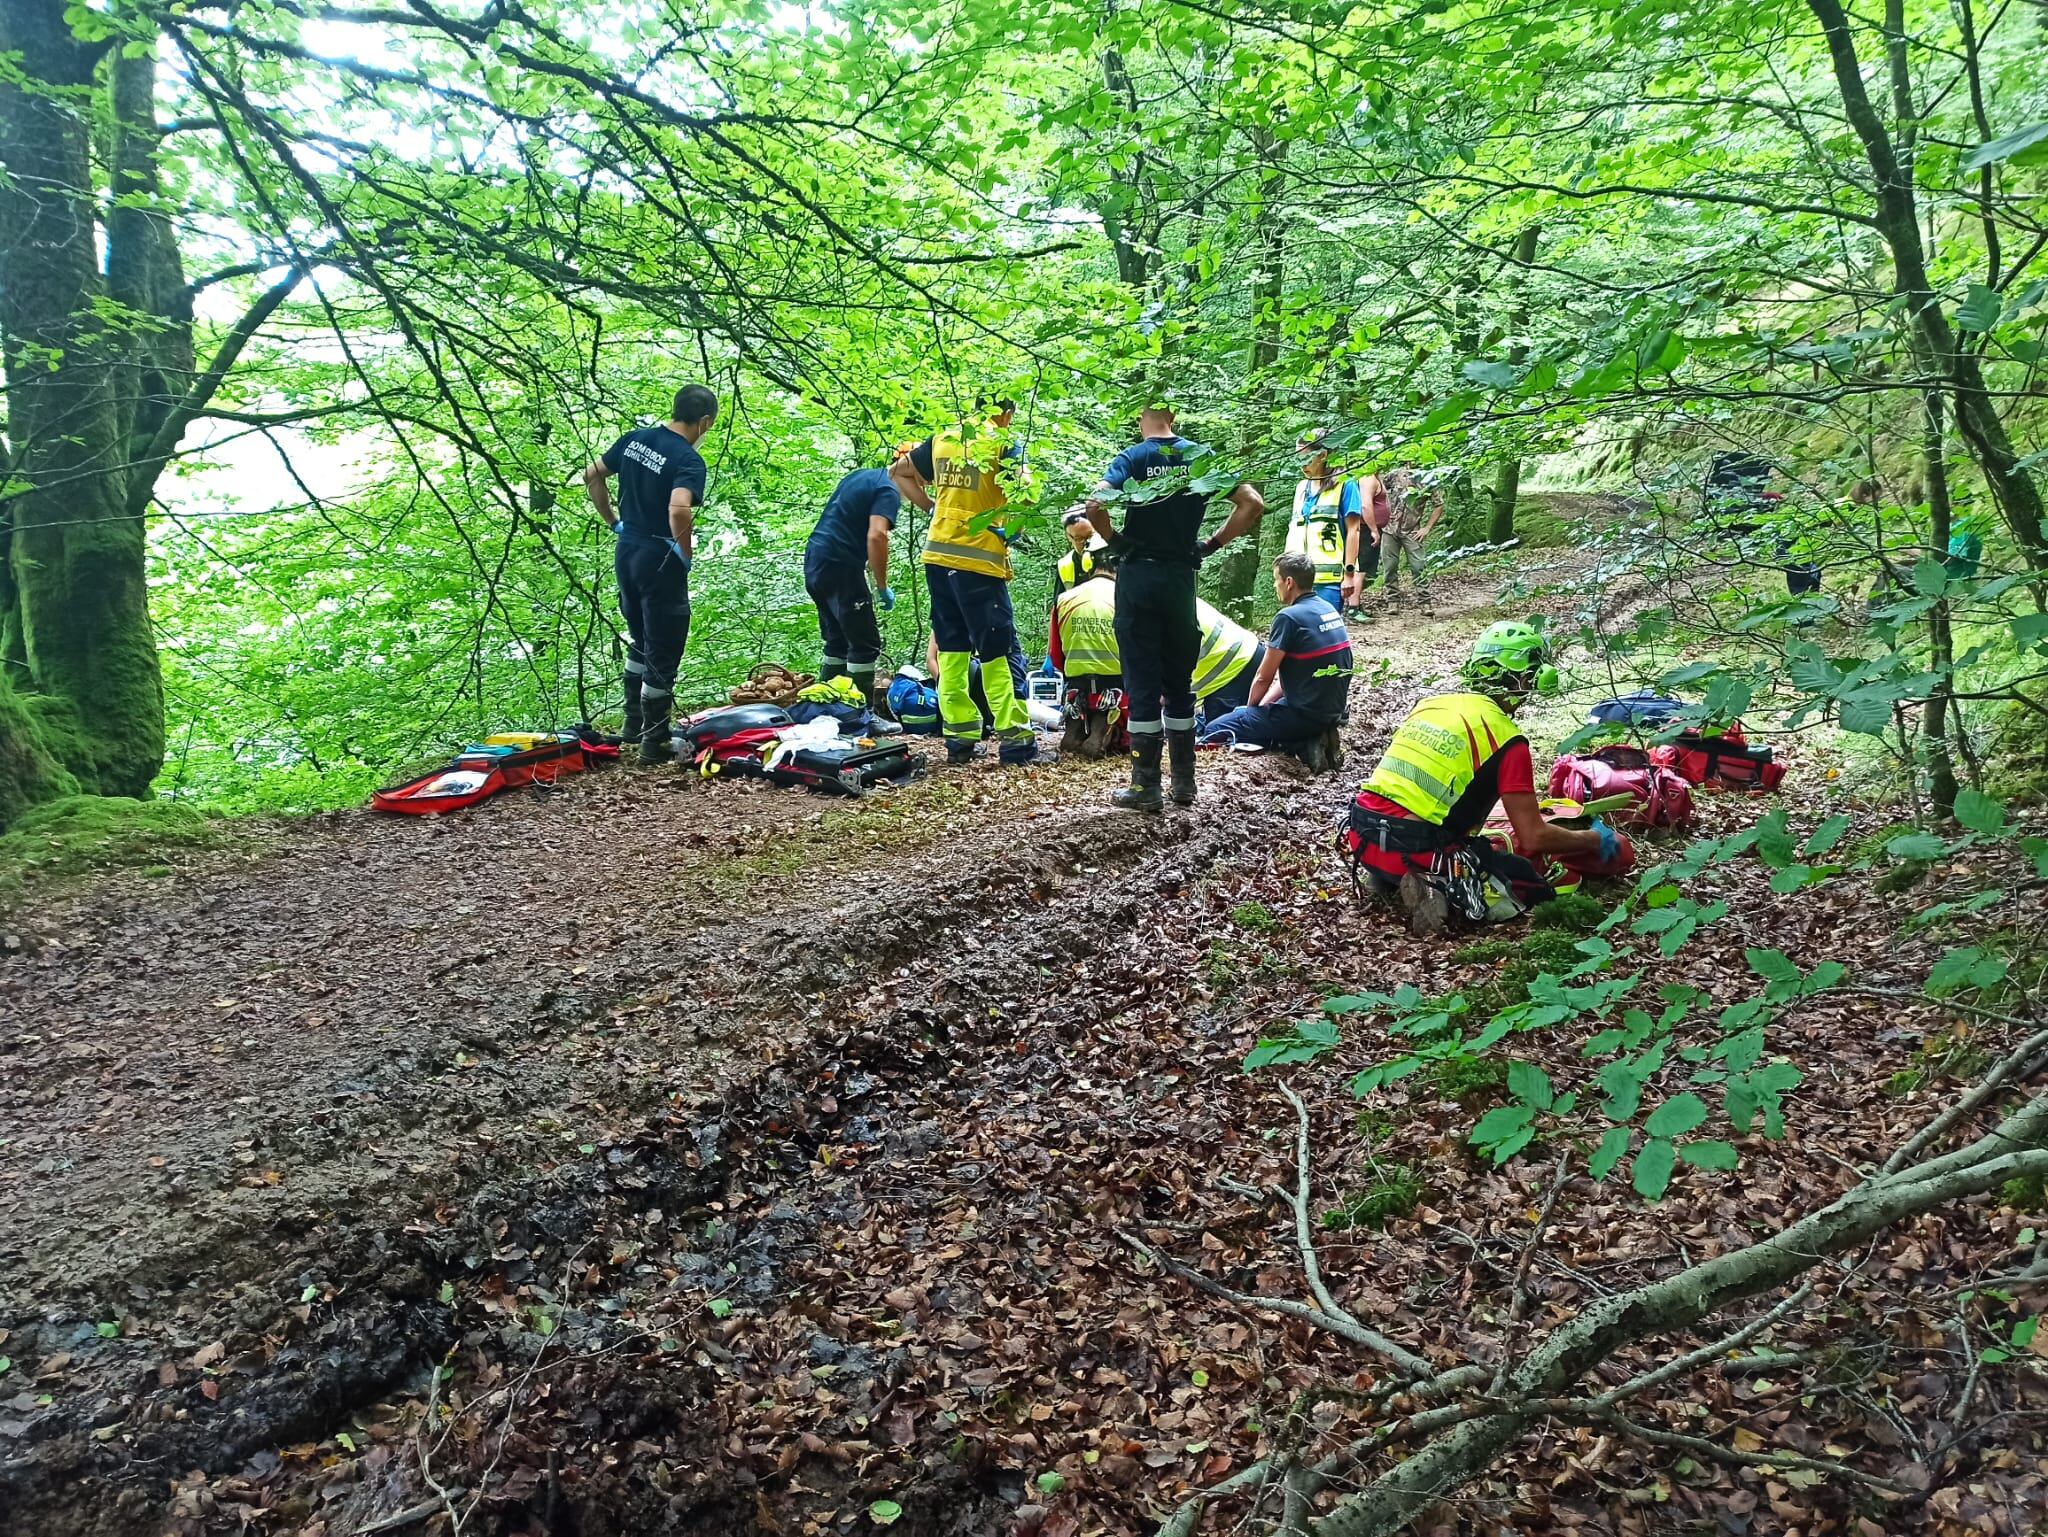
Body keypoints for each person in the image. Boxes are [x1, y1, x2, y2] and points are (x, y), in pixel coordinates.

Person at [1344, 621, 1627, 935]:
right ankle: (1433, 886)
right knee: (1525, 880)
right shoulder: (1507, 739)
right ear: (1527, 678)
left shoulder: (1431, 706)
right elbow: (1534, 837)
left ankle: (1386, 876)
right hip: (1416, 848)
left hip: (1361, 834)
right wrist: (1595, 840)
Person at [1087, 403, 1264, 811]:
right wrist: (1211, 543)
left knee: (1143, 684)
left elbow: (1095, 506)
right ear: (1174, 418)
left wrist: (1116, 541)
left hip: (1137, 580)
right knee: (1180, 685)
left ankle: (1146, 787)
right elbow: (1252, 502)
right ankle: (1184, 784)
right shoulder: (1198, 457)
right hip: (1180, 580)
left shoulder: (1133, 458)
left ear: (1140, 419)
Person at [891, 398, 1038, 766]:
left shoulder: (944, 438)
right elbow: (1027, 494)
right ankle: (1015, 738)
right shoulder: (1002, 443)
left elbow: (898, 471)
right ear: (1006, 412)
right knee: (997, 650)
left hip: (938, 557)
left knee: (952, 647)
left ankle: (959, 739)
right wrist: (1011, 532)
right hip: (978, 560)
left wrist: (932, 509)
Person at [583, 384, 718, 762]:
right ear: (704, 421)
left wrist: (613, 521)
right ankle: (653, 742)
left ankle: (634, 723)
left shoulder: (634, 440)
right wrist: (684, 553)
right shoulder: (688, 460)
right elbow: (679, 508)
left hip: (627, 552)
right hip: (660, 555)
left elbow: (591, 475)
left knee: (640, 637)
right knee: (664, 644)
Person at [1199, 552, 1352, 770]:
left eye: (1276, 579)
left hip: (1304, 712)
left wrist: (1247, 711)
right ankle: (1310, 737)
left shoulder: (1288, 618)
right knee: (1260, 716)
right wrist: (1262, 708)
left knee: (1214, 729)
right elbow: (1289, 677)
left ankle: (1303, 742)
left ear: (1289, 582)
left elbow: (1263, 677)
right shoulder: (1327, 608)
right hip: (1331, 710)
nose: (1274, 585)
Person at [803, 462, 901, 714]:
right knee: (864, 643)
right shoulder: (888, 488)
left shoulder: (861, 476)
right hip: (841, 564)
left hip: (816, 559)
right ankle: (860, 714)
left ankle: (826, 709)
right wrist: (881, 587)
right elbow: (877, 535)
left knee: (837, 640)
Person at [1047, 555, 1125, 758]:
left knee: (1076, 698)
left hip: (1076, 678)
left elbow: (1055, 652)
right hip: (1114, 680)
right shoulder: (1125, 596)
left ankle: (1075, 732)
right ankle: (1101, 733)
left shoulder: (1064, 598)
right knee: (1114, 705)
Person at [1288, 431, 1366, 611]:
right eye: (1298, 459)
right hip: (1296, 577)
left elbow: (1354, 530)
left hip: (1328, 579)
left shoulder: (1346, 485)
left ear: (1323, 455)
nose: (1302, 465)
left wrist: (1349, 574)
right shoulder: (1301, 488)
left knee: (1324, 633)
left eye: (1306, 459)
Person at [1378, 465, 1441, 602]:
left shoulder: (1428, 478)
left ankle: (1425, 600)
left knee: (1418, 566)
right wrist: (1382, 515)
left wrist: (1427, 527)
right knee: (1390, 567)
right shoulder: (1394, 474)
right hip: (1389, 529)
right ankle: (1392, 600)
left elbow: (1439, 504)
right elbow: (1377, 492)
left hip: (1413, 531)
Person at [1051, 507, 1102, 601]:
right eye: (1079, 539)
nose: (1086, 542)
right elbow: (1058, 605)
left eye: (1090, 535)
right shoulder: (1065, 565)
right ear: (1069, 537)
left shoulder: (1116, 557)